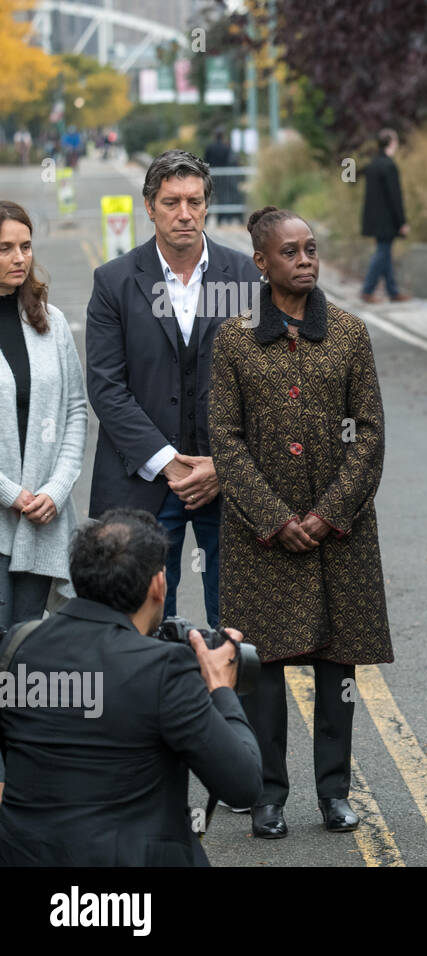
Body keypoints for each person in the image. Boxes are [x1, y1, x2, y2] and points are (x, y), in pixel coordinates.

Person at [209, 205, 393, 839]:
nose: (305, 260)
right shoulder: (234, 340)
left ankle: (335, 793)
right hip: (260, 538)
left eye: (311, 249)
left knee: (337, 666)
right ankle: (267, 795)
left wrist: (327, 514)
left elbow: (369, 434)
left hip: (338, 534)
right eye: (290, 252)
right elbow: (225, 441)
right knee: (263, 669)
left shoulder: (348, 333)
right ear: (261, 263)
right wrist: (275, 518)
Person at [0, 509, 261, 866]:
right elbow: (243, 784)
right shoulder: (165, 669)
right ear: (157, 585)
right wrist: (220, 687)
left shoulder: (18, 646)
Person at [85, 149, 263, 629]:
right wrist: (168, 461)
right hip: (141, 482)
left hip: (228, 482)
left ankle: (228, 707)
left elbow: (267, 383)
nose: (184, 213)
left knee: (237, 628)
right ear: (148, 206)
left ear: (207, 204)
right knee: (138, 631)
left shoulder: (246, 276)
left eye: (194, 201)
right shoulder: (114, 282)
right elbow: (106, 388)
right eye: (171, 202)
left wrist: (224, 464)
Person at [0, 201, 86, 631]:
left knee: (27, 644)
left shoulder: (49, 321)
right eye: (5, 248)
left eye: (26, 246)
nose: (19, 258)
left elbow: (75, 409)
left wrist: (56, 489)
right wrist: (10, 494)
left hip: (41, 519)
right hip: (7, 511)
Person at [359, 128, 411, 304]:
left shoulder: (373, 164)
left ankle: (393, 292)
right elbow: (395, 196)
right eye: (395, 141)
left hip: (374, 219)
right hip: (387, 220)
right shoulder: (389, 165)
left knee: (385, 253)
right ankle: (367, 290)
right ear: (391, 143)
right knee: (382, 253)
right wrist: (402, 222)